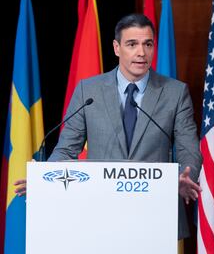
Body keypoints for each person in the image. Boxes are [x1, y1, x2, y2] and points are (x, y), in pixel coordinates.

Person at [15, 13, 202, 239]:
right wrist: (45, 179)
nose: (141, 52)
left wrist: (184, 176)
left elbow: (188, 149)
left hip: (156, 214)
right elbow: (66, 149)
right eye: (132, 44)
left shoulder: (175, 92)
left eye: (148, 44)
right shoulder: (89, 90)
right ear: (116, 47)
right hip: (101, 214)